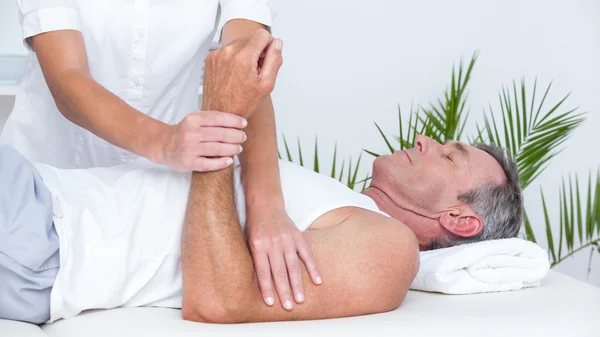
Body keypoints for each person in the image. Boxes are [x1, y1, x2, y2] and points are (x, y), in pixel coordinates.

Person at [0, 125, 523, 324]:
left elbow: (220, 298)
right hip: (44, 202)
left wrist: (221, 118)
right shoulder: (342, 204)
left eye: (450, 157)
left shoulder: (389, 249)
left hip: (49, 238)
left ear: (459, 219)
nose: (428, 141)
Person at [2, 1, 323, 314]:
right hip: (46, 195)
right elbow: (67, 78)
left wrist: (267, 206)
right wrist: (166, 141)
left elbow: (246, 64)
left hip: (157, 195)